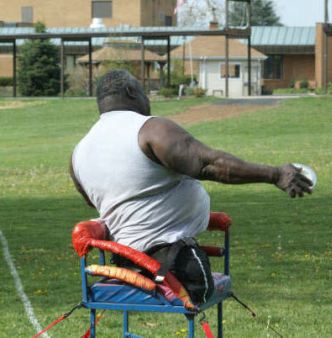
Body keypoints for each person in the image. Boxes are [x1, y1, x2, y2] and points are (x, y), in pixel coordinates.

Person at [70, 69, 312, 304]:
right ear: (132, 91)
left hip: (125, 266)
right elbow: (209, 164)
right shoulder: (149, 130)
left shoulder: (79, 153)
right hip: (173, 268)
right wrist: (276, 174)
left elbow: (96, 202)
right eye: (144, 91)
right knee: (200, 289)